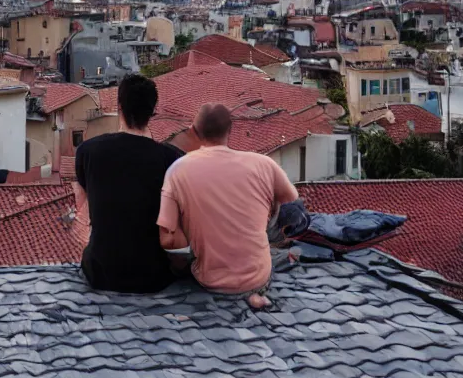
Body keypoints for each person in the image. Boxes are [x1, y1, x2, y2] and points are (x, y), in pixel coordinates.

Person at [157, 103, 299, 308]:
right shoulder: (263, 163)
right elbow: (292, 204)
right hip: (258, 277)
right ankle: (255, 292)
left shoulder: (177, 170)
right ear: (230, 130)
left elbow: (168, 239)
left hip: (210, 281)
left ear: (194, 132)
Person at [75, 74, 183, 293]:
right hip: (153, 275)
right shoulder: (172, 159)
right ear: (153, 111)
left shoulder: (88, 151)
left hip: (100, 272)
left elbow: (85, 204)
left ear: (120, 107)